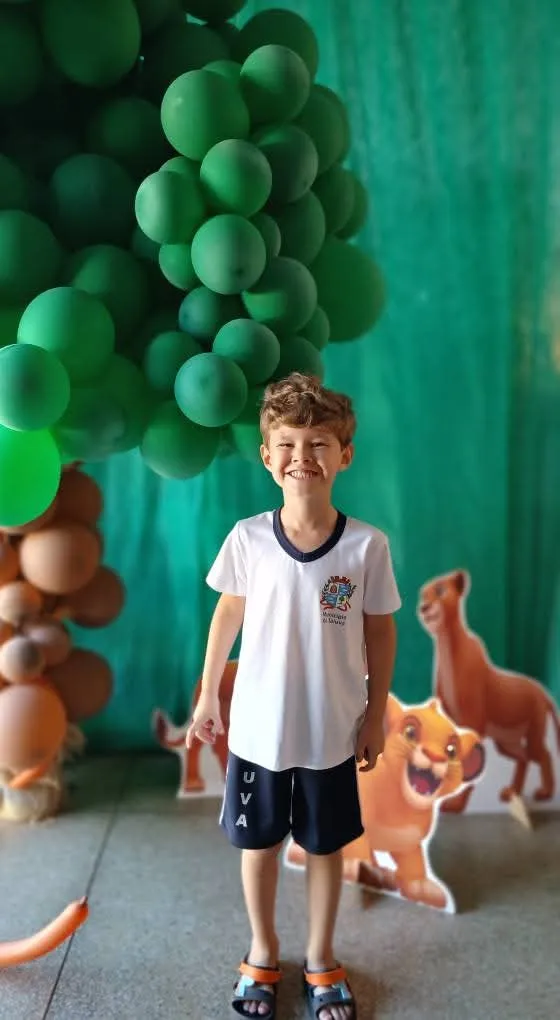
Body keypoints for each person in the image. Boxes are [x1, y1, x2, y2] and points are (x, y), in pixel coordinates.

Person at [186, 373, 400, 1020]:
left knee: (325, 847)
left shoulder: (365, 546)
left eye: (318, 443)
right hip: (259, 734)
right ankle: (262, 951)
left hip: (332, 733)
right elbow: (227, 615)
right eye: (287, 443)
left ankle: (321, 958)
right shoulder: (249, 538)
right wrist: (208, 695)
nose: (301, 456)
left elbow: (380, 631)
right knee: (258, 847)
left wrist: (375, 715)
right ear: (267, 455)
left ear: (345, 454)